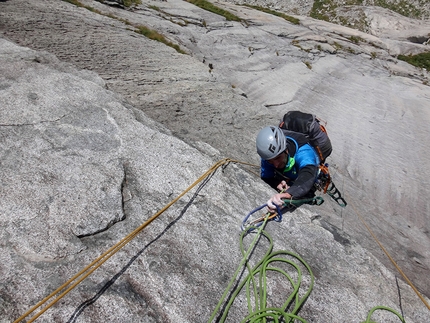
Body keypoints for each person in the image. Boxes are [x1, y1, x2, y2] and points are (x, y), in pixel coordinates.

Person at [256, 125, 320, 212]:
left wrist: (289, 194)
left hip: (306, 175)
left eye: (278, 158)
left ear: (286, 150)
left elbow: (308, 174)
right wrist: (277, 183)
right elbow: (266, 176)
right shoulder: (268, 155)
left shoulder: (304, 151)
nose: (276, 165)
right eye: (270, 161)